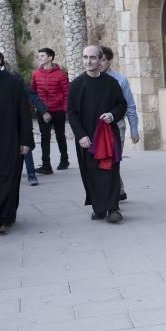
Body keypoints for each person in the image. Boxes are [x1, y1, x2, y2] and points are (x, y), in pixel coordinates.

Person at [68, 45, 127, 224]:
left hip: (108, 137)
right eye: (85, 57)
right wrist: (81, 135)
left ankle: (113, 208)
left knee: (111, 171)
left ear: (100, 59)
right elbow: (71, 113)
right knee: (91, 173)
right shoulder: (76, 85)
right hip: (87, 138)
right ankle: (99, 208)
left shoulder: (111, 83)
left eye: (93, 58)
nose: (89, 61)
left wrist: (112, 115)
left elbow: (121, 105)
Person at [0, 45, 33, 234]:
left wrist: (25, 141)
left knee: (8, 179)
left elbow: (24, 114)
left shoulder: (13, 83)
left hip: (9, 140)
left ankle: (3, 219)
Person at [100, 46, 138, 202]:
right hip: (96, 129)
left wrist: (134, 130)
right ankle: (117, 190)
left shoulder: (120, 80)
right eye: (98, 59)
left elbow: (129, 105)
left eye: (103, 59)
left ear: (109, 61)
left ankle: (115, 192)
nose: (100, 63)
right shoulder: (88, 80)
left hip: (117, 127)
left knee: (114, 159)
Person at [30, 47, 69, 174]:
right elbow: (33, 92)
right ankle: (46, 165)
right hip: (42, 111)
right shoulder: (35, 74)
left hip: (58, 110)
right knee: (44, 137)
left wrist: (64, 109)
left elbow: (66, 93)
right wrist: (37, 107)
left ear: (50, 57)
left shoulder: (61, 74)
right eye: (39, 56)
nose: (39, 58)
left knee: (60, 136)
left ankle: (64, 159)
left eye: (42, 56)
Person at [21, 82, 51, 186]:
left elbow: (32, 95)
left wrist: (43, 111)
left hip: (20, 118)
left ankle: (31, 174)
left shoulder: (15, 79)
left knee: (26, 144)